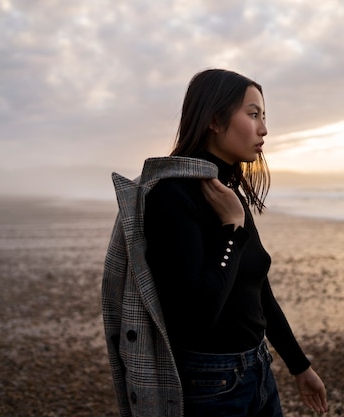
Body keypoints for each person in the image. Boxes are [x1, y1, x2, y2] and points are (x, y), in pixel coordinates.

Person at [102, 69, 327, 417]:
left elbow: (259, 292)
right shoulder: (172, 196)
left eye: (264, 117)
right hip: (210, 386)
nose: (264, 129)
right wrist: (232, 231)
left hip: (259, 370)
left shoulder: (227, 194)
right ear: (215, 120)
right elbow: (197, 316)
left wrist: (299, 366)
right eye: (253, 114)